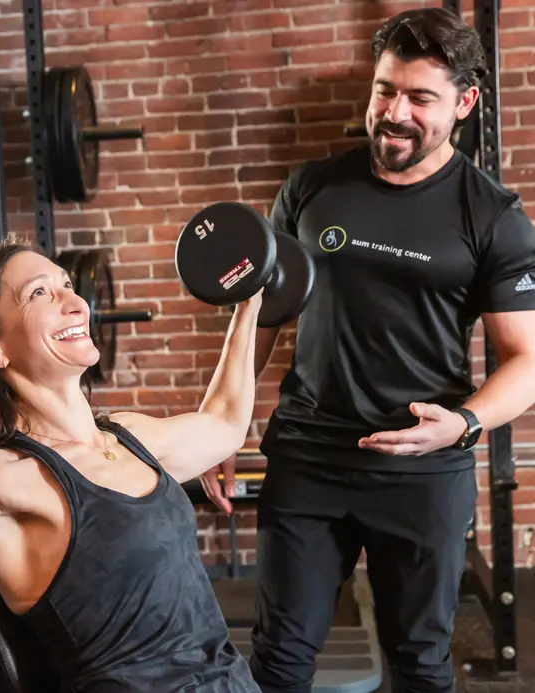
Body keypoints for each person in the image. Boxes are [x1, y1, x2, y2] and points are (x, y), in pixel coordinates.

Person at [200, 8, 535, 693]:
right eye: (386, 90)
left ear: (465, 103)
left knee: (419, 662)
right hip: (309, 455)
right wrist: (218, 422)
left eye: (421, 98)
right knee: (281, 659)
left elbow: (526, 357)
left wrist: (464, 423)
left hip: (421, 468)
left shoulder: (493, 216)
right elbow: (258, 315)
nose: (395, 113)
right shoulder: (312, 189)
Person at [0, 241, 265, 693]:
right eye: (39, 294)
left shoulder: (129, 438)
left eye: (67, 285)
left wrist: (250, 304)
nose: (76, 304)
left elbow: (225, 423)